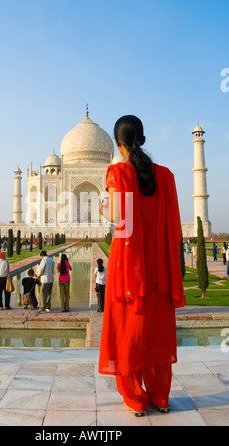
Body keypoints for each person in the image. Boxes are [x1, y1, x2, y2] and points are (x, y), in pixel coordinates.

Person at [98, 115, 186, 417]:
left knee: (128, 334)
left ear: (115, 143)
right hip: (160, 271)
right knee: (157, 333)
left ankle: (136, 399)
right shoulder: (166, 175)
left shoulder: (119, 172)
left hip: (129, 270)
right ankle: (161, 397)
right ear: (144, 141)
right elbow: (171, 228)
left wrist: (104, 208)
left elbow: (123, 222)